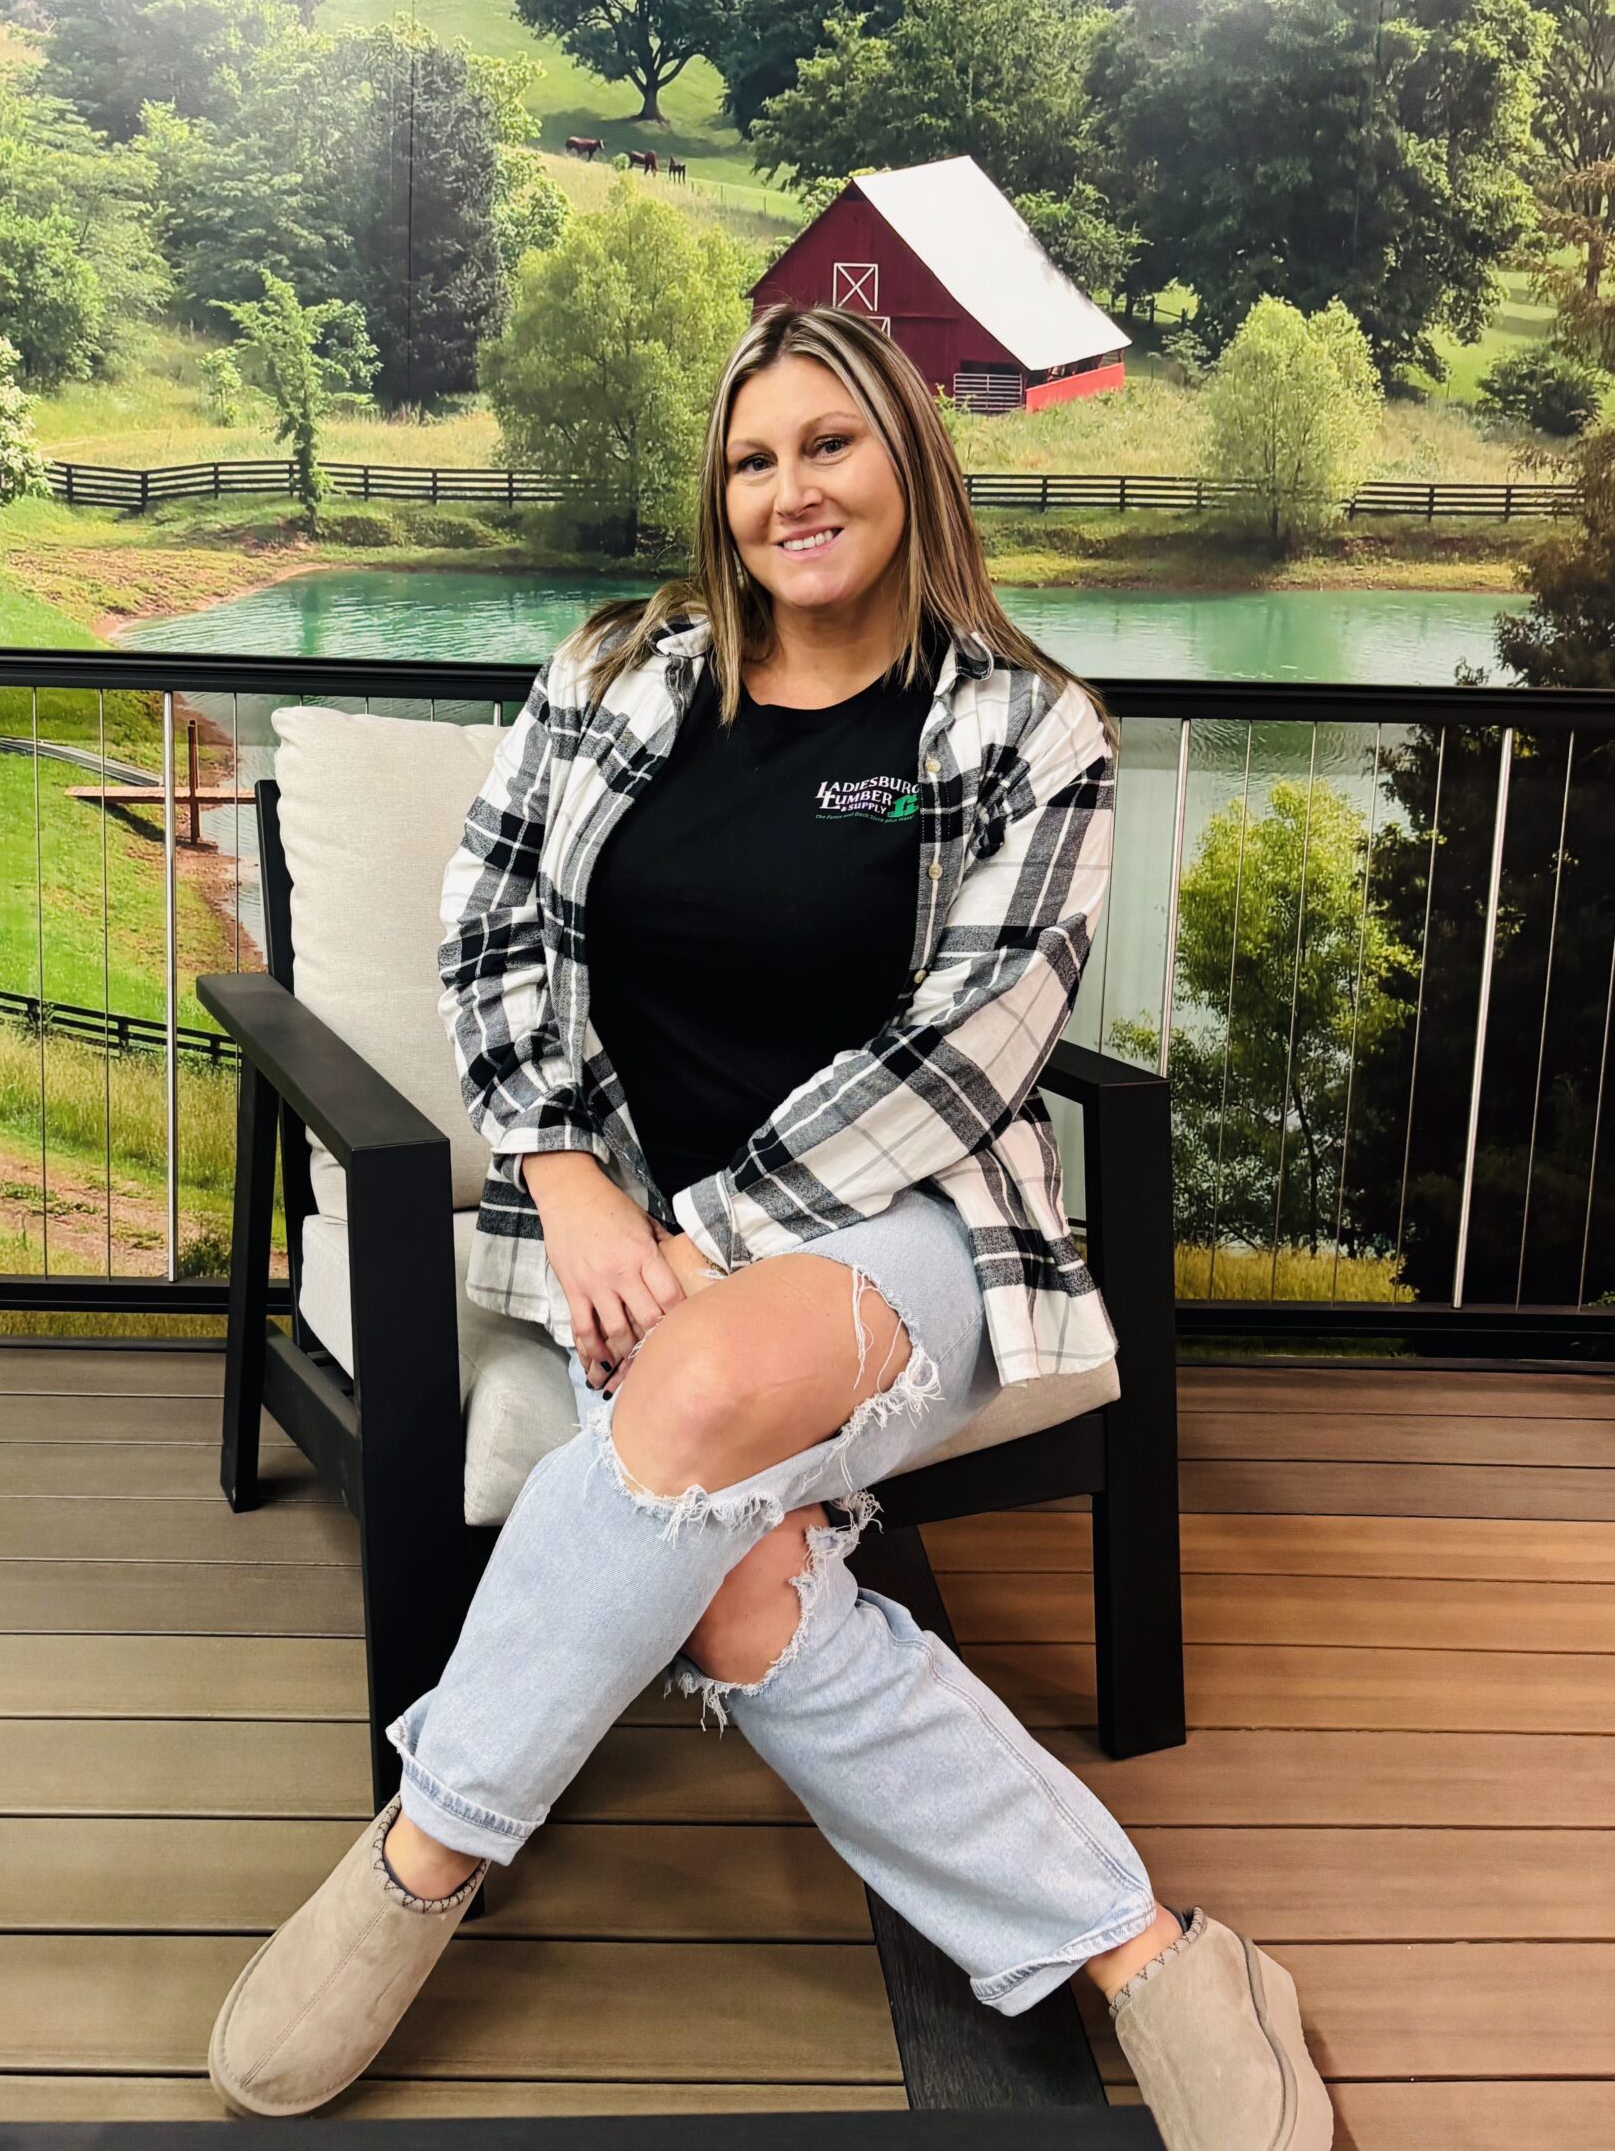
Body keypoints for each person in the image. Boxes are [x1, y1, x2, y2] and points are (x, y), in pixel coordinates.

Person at [208, 306, 1332, 2151]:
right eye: (754, 459)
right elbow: (492, 920)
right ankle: (1151, 1956)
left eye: (831, 445)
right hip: (618, 1231)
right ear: (719, 493)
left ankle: (422, 1855)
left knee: (706, 1372)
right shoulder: (617, 675)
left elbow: (971, 1044)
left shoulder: (1022, 727)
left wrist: (706, 1252)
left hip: (911, 1232)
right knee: (743, 1599)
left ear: (910, 461)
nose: (790, 490)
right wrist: (567, 1174)